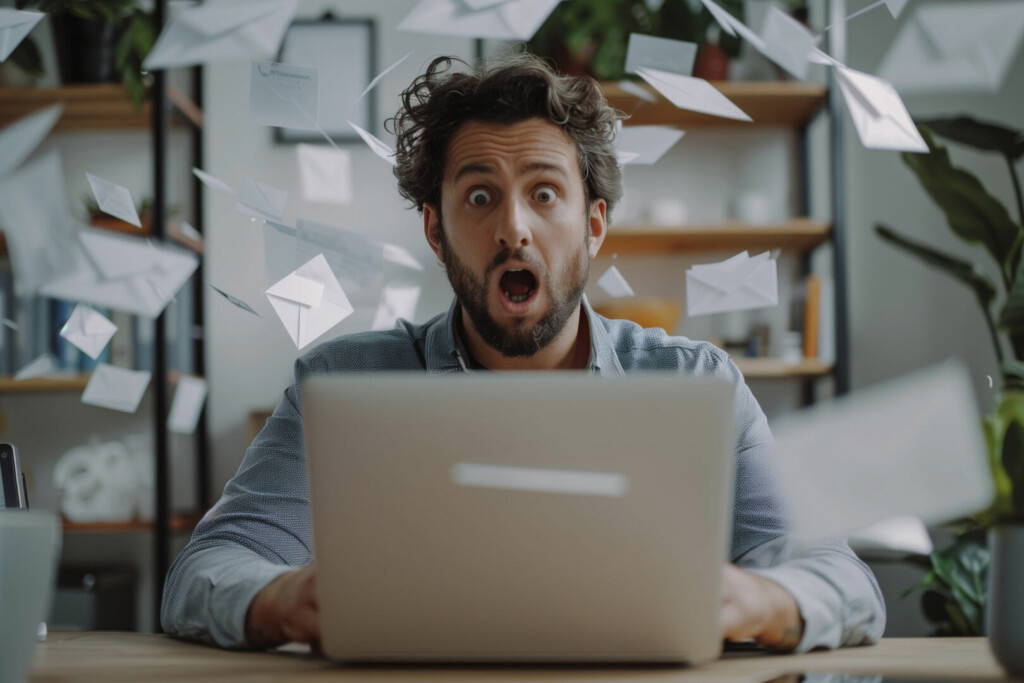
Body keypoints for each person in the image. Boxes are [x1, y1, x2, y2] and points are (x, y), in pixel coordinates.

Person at [161, 53, 885, 654]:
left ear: (594, 225)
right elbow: (202, 572)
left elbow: (843, 581)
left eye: (544, 194)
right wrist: (284, 597)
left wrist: (754, 597)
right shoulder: (338, 383)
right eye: (479, 198)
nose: (514, 229)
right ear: (435, 231)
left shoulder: (697, 382)